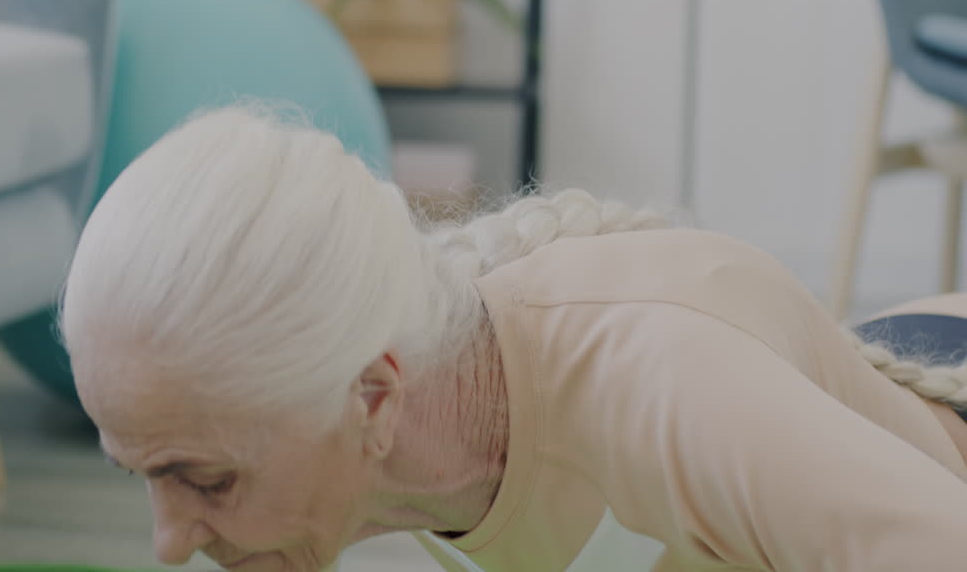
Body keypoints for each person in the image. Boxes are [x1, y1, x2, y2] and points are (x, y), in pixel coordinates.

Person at [59, 104, 967, 572]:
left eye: (206, 480)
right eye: (143, 472)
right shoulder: (420, 434)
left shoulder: (662, 380)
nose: (168, 541)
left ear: (373, 398)